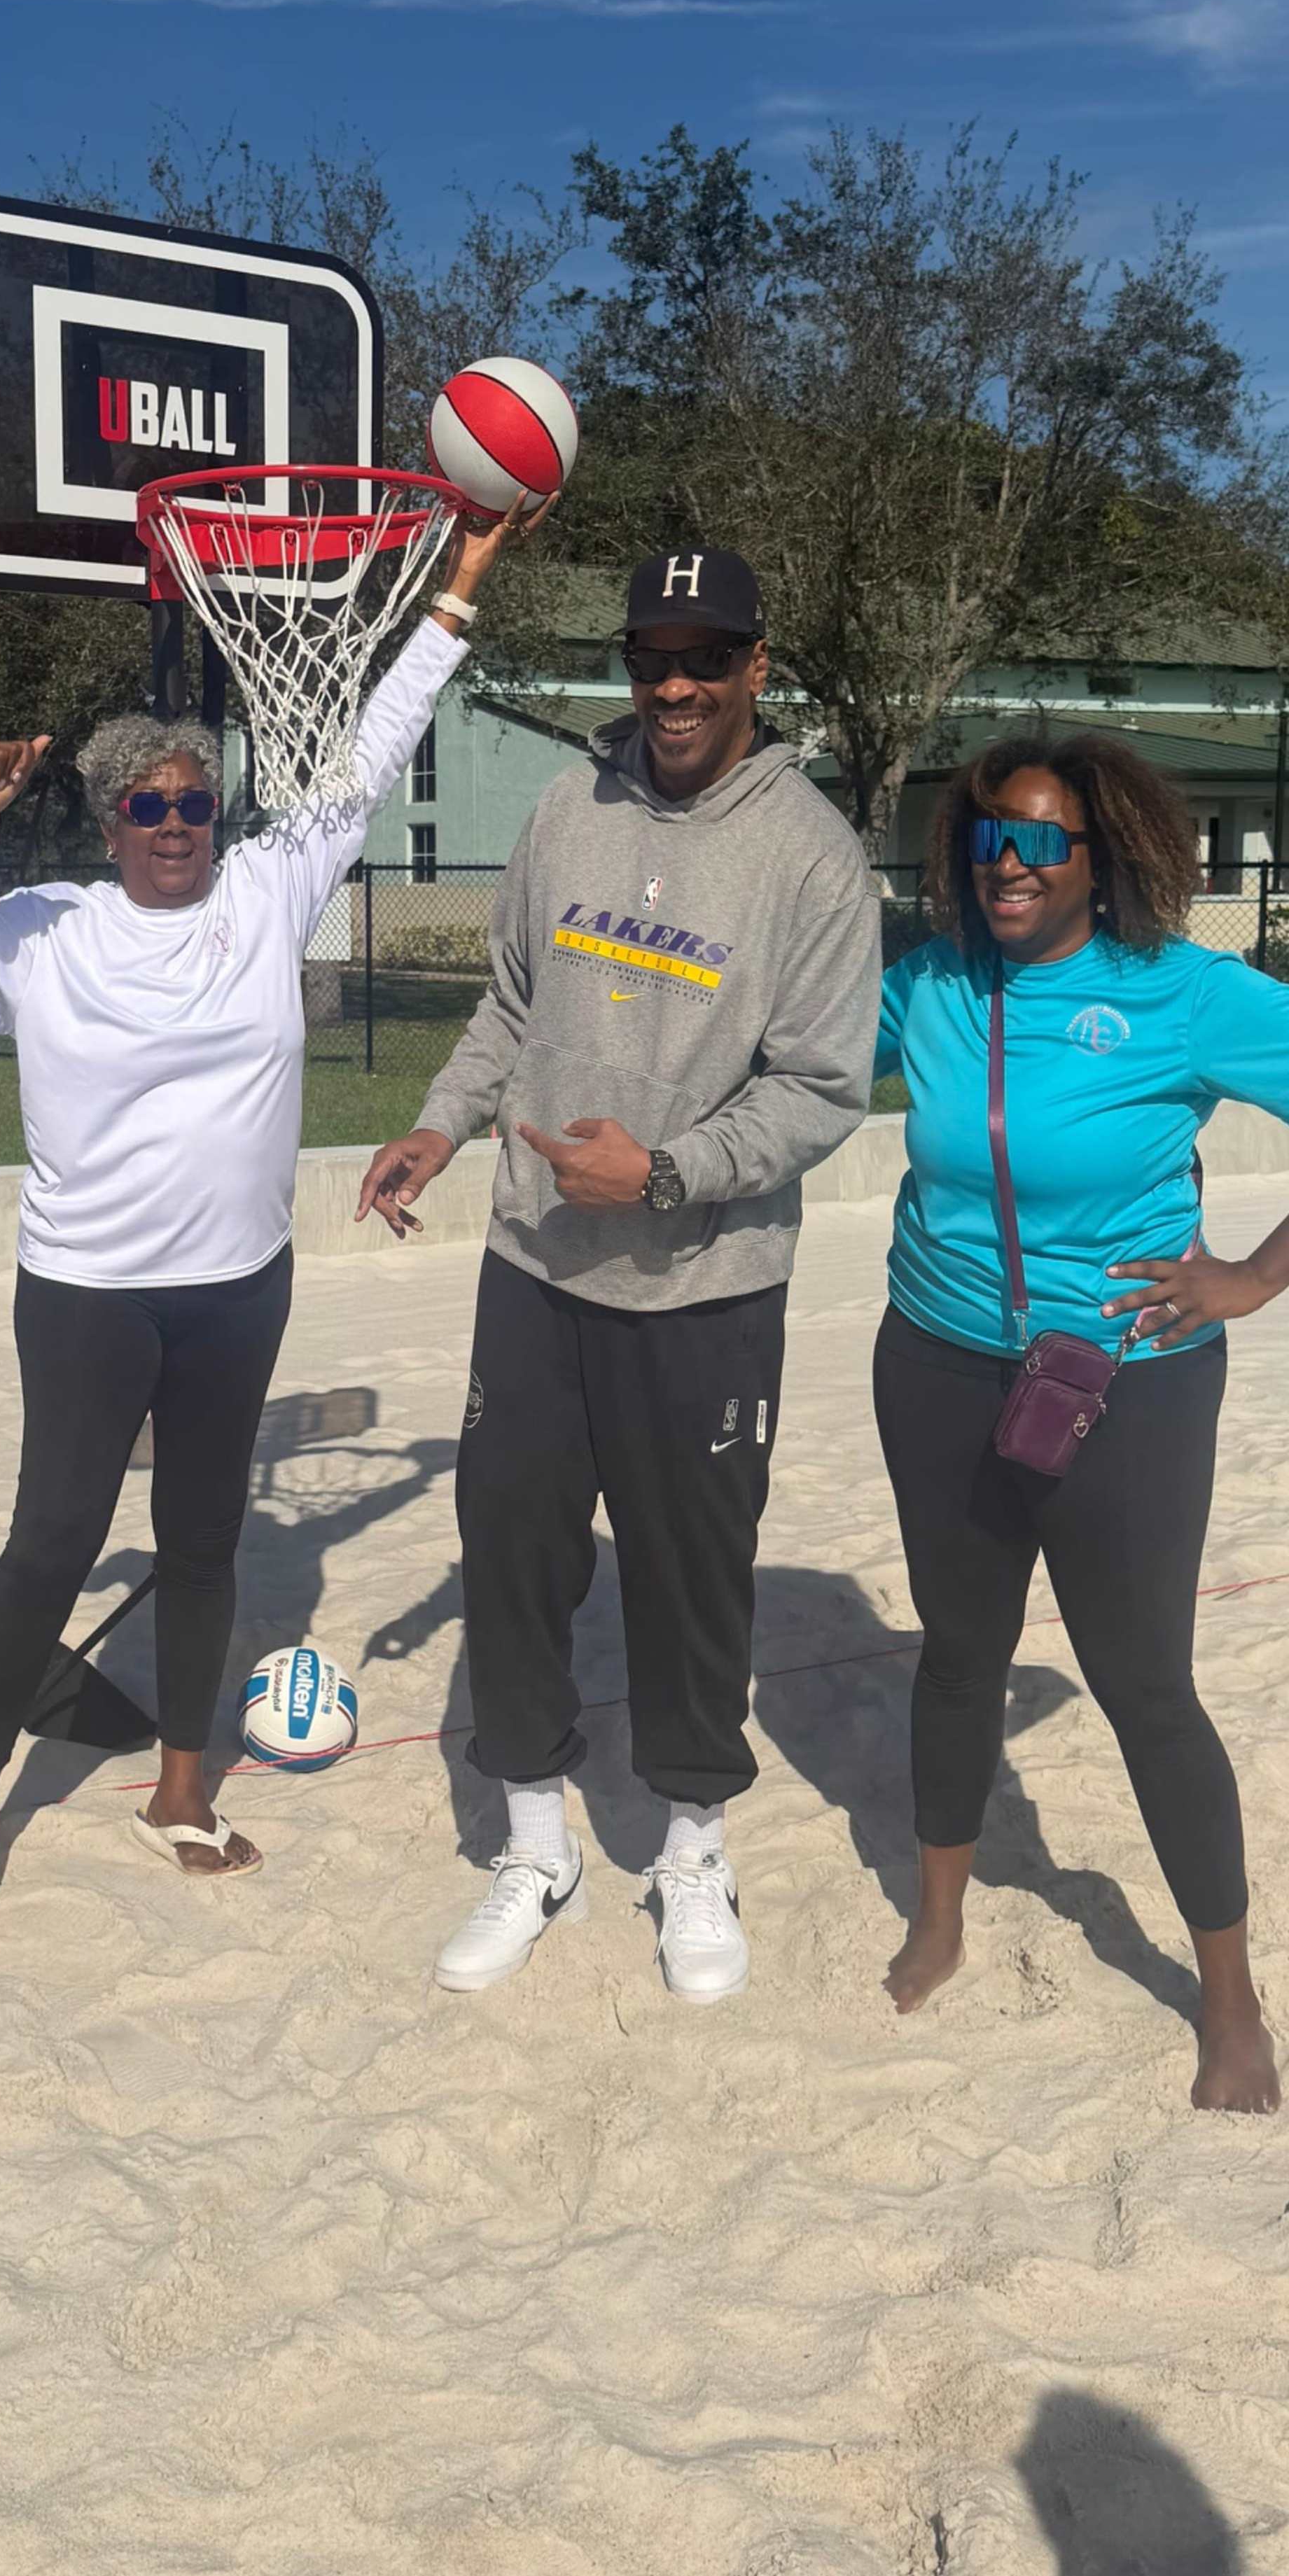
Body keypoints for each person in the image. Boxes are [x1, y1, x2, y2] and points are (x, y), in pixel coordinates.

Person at [0, 503, 527, 1951]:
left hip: (239, 1291)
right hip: (92, 1294)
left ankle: (179, 1785)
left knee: (208, 1536)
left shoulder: (266, 892)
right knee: (53, 1539)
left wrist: (460, 590)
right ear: (111, 825)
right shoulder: (44, 929)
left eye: (194, 806)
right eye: (151, 810)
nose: (177, 827)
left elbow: (371, 750)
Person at [871, 731, 1289, 2111]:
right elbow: (790, 1070)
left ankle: (1230, 1996)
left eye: (1037, 842)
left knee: (1146, 1689)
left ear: (1102, 859)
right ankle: (942, 1916)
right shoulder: (932, 983)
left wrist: (1252, 1274)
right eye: (983, 839)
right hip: (935, 1359)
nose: (1004, 867)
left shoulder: (1182, 995)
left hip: (1123, 1381)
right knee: (958, 1654)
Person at [359, 546, 879, 2005]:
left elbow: (824, 1089)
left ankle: (693, 1846)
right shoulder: (565, 806)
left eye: (707, 654)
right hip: (534, 1262)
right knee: (513, 1560)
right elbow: (514, 999)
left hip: (702, 1289)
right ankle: (537, 1845)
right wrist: (440, 1123)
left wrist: (658, 1174)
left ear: (756, 670)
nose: (675, 680)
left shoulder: (812, 855)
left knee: (689, 1577)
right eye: (654, 650)